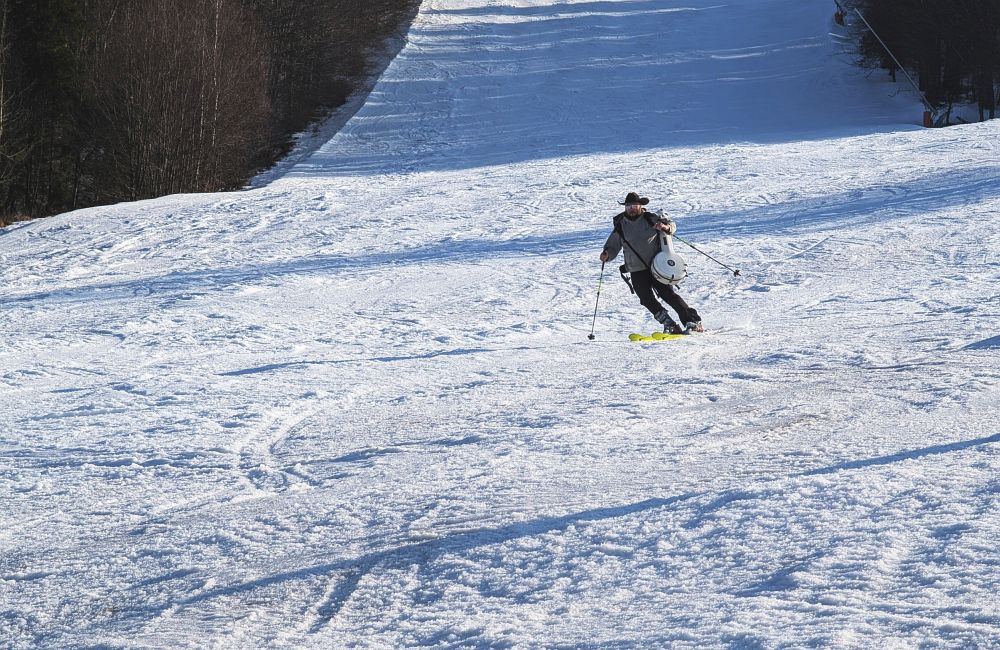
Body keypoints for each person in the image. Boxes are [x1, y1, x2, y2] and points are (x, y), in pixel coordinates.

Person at [600, 192, 704, 334]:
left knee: (669, 295)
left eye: (634, 205)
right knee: (646, 299)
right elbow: (612, 245)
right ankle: (669, 324)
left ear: (640, 206)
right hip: (636, 269)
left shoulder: (650, 218)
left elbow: (671, 225)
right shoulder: (620, 224)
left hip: (656, 266)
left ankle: (693, 322)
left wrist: (665, 227)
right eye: (628, 206)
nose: (631, 209)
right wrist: (607, 254)